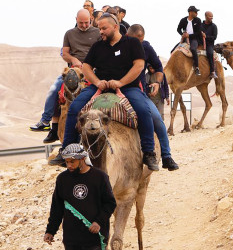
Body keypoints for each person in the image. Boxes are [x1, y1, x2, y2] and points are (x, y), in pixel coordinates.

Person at [51, 13, 159, 170]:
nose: (100, 31)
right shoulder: (97, 46)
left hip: (128, 87)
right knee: (74, 108)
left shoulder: (132, 43)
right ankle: (67, 150)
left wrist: (121, 82)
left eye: (103, 28)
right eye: (99, 28)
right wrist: (97, 82)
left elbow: (139, 66)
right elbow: (86, 67)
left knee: (143, 110)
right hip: (99, 87)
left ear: (115, 27)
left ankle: (149, 152)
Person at [31, 9, 100, 143]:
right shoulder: (69, 34)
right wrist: (73, 59)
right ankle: (47, 123)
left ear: (91, 19)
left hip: (92, 69)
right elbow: (65, 53)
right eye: (81, 23)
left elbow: (101, 51)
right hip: (73, 70)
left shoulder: (97, 33)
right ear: (76, 20)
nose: (84, 25)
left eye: (86, 22)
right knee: (54, 90)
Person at [127, 24, 179, 171]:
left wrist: (157, 82)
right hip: (116, 89)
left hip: (139, 92)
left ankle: (166, 156)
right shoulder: (121, 46)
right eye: (136, 40)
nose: (139, 43)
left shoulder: (146, 47)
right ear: (127, 36)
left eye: (141, 40)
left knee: (156, 119)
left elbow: (158, 67)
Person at [176, 6, 204, 76]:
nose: (197, 13)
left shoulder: (198, 20)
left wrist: (189, 35)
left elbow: (198, 32)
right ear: (190, 12)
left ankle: (197, 67)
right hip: (185, 39)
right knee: (173, 50)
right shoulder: (183, 20)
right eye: (195, 12)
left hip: (194, 39)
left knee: (193, 49)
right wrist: (182, 34)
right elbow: (178, 29)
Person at [202, 11, 218, 79]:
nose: (211, 18)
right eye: (210, 17)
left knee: (210, 53)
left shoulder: (214, 26)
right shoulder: (200, 25)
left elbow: (214, 37)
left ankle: (212, 71)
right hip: (200, 43)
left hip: (209, 44)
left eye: (212, 17)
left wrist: (206, 37)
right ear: (205, 16)